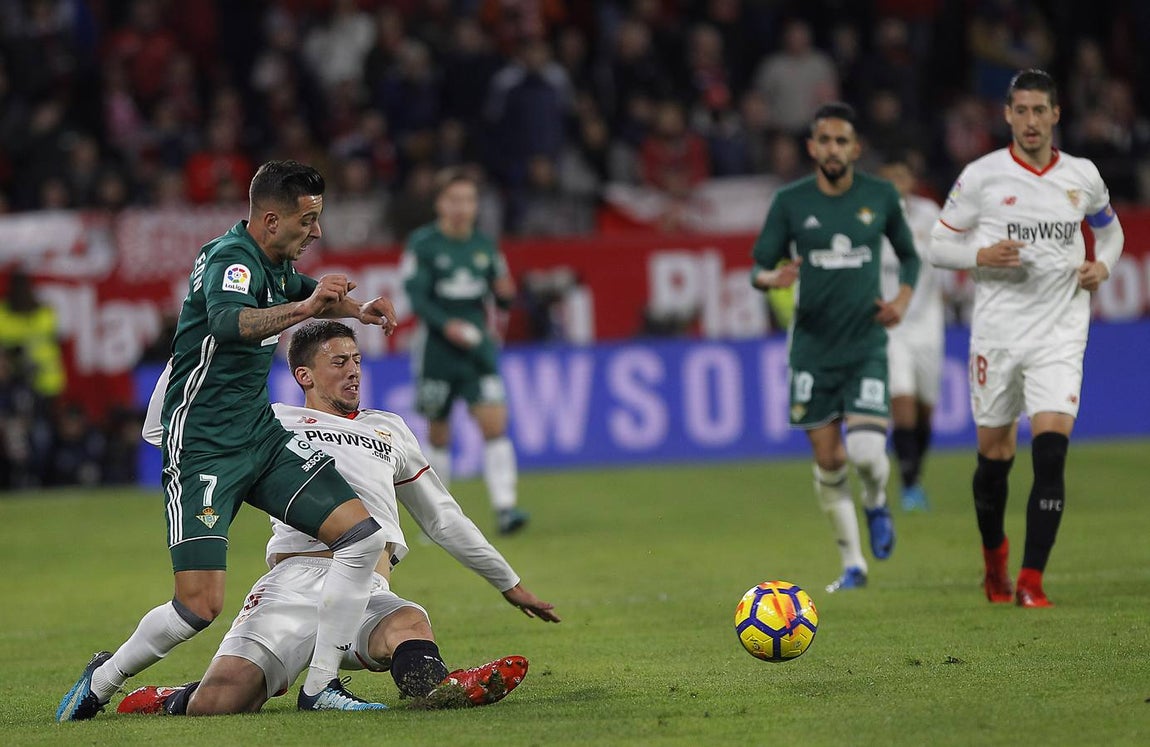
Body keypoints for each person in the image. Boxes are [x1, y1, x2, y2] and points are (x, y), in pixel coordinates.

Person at [58, 160, 402, 721]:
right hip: (205, 449)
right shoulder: (230, 261)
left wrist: (358, 311)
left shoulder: (274, 261)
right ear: (271, 219)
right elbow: (228, 322)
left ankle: (320, 687)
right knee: (199, 606)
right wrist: (306, 310)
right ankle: (105, 677)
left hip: (259, 436)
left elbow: (310, 291)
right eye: (308, 220)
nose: (316, 231)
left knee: (363, 538)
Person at [117, 321, 559, 716]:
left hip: (366, 587)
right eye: (339, 361)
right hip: (295, 583)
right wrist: (186, 350)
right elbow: (161, 431)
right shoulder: (271, 423)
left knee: (408, 622)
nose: (353, 371)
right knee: (222, 703)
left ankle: (439, 688)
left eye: (357, 360)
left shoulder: (388, 428)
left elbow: (442, 517)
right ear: (303, 375)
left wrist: (509, 582)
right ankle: (173, 697)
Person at [928, 69, 1124, 608]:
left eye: (1041, 111)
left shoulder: (1082, 175)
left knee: (1052, 453)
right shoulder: (982, 177)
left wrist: (1102, 265)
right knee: (994, 458)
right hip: (998, 333)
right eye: (1022, 111)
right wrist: (978, 255)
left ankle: (1032, 580)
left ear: (1056, 114)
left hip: (1060, 331)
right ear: (1007, 115)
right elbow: (936, 246)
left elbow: (1111, 232)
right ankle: (996, 564)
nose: (1031, 121)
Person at [750, 102, 920, 593]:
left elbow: (910, 256)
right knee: (829, 460)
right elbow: (758, 266)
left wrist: (903, 298)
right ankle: (853, 565)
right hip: (811, 350)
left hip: (865, 343)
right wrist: (772, 276)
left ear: (855, 148)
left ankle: (876, 502)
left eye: (841, 141)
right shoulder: (790, 202)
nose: (832, 149)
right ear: (811, 147)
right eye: (824, 141)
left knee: (867, 454)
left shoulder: (881, 196)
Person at [402, 168, 527, 535]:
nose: (461, 208)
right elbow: (416, 297)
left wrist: (506, 294)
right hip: (438, 350)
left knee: (495, 424)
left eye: (469, 200)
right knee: (439, 433)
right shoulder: (423, 244)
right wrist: (447, 325)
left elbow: (502, 298)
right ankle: (438, 520)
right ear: (440, 203)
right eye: (454, 200)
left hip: (477, 350)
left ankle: (506, 509)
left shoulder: (485, 246)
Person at [877, 153, 946, 511]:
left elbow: (944, 259)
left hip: (928, 322)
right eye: (887, 178)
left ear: (910, 180)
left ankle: (914, 472)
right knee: (901, 403)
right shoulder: (870, 218)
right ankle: (910, 486)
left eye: (900, 177)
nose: (894, 185)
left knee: (925, 411)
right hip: (892, 325)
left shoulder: (928, 213)